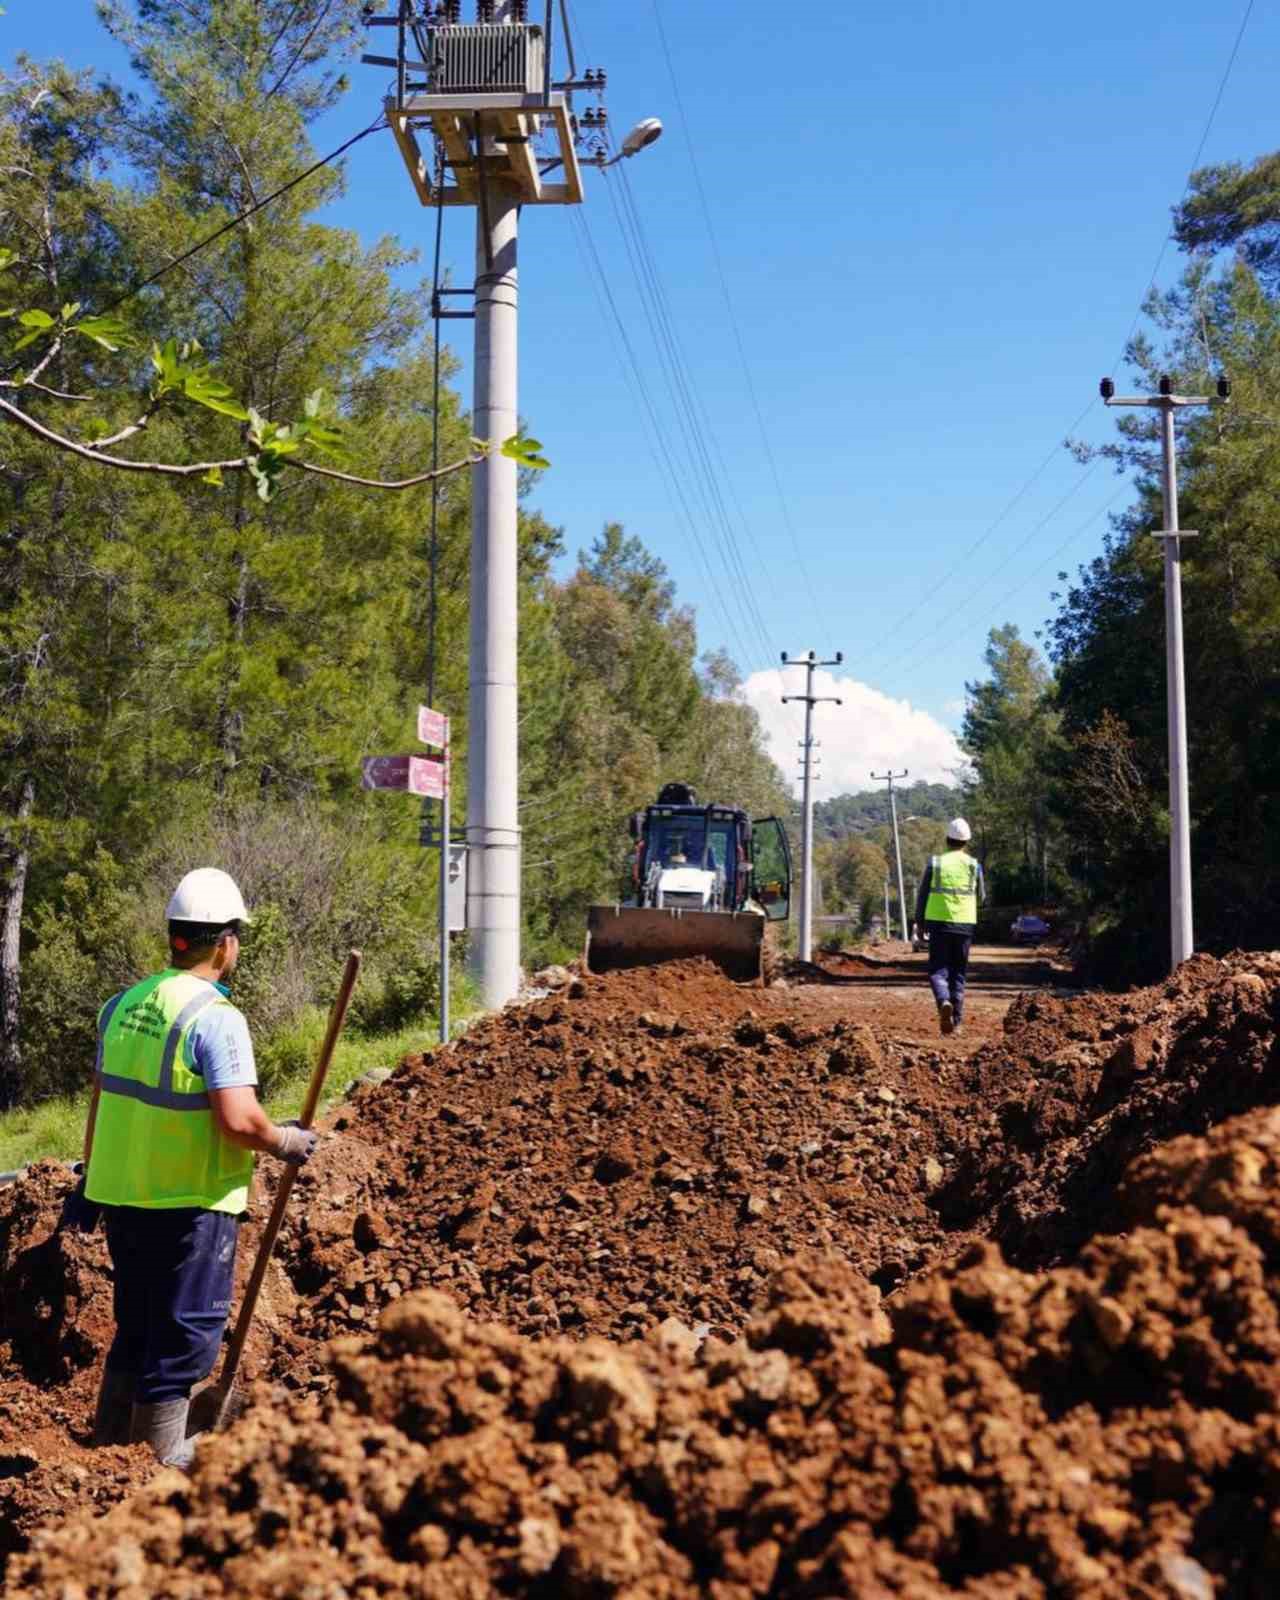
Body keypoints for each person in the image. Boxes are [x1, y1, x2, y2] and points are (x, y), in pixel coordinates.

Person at [76, 867, 320, 1468]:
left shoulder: (122, 1005)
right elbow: (239, 1121)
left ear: (175, 936)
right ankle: (159, 1459)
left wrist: (88, 1179)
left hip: (123, 1196)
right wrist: (288, 1140)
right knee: (185, 1337)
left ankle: (110, 1451)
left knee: (135, 1326)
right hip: (189, 1204)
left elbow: (101, 1099)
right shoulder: (217, 1019)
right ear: (227, 943)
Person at [912, 819, 984, 1037]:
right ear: (966, 842)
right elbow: (982, 896)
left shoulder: (936, 863)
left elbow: (923, 894)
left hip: (939, 923)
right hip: (964, 924)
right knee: (958, 973)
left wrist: (920, 921)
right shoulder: (974, 865)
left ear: (947, 840)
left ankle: (944, 1000)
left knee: (938, 970)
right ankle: (957, 1021)